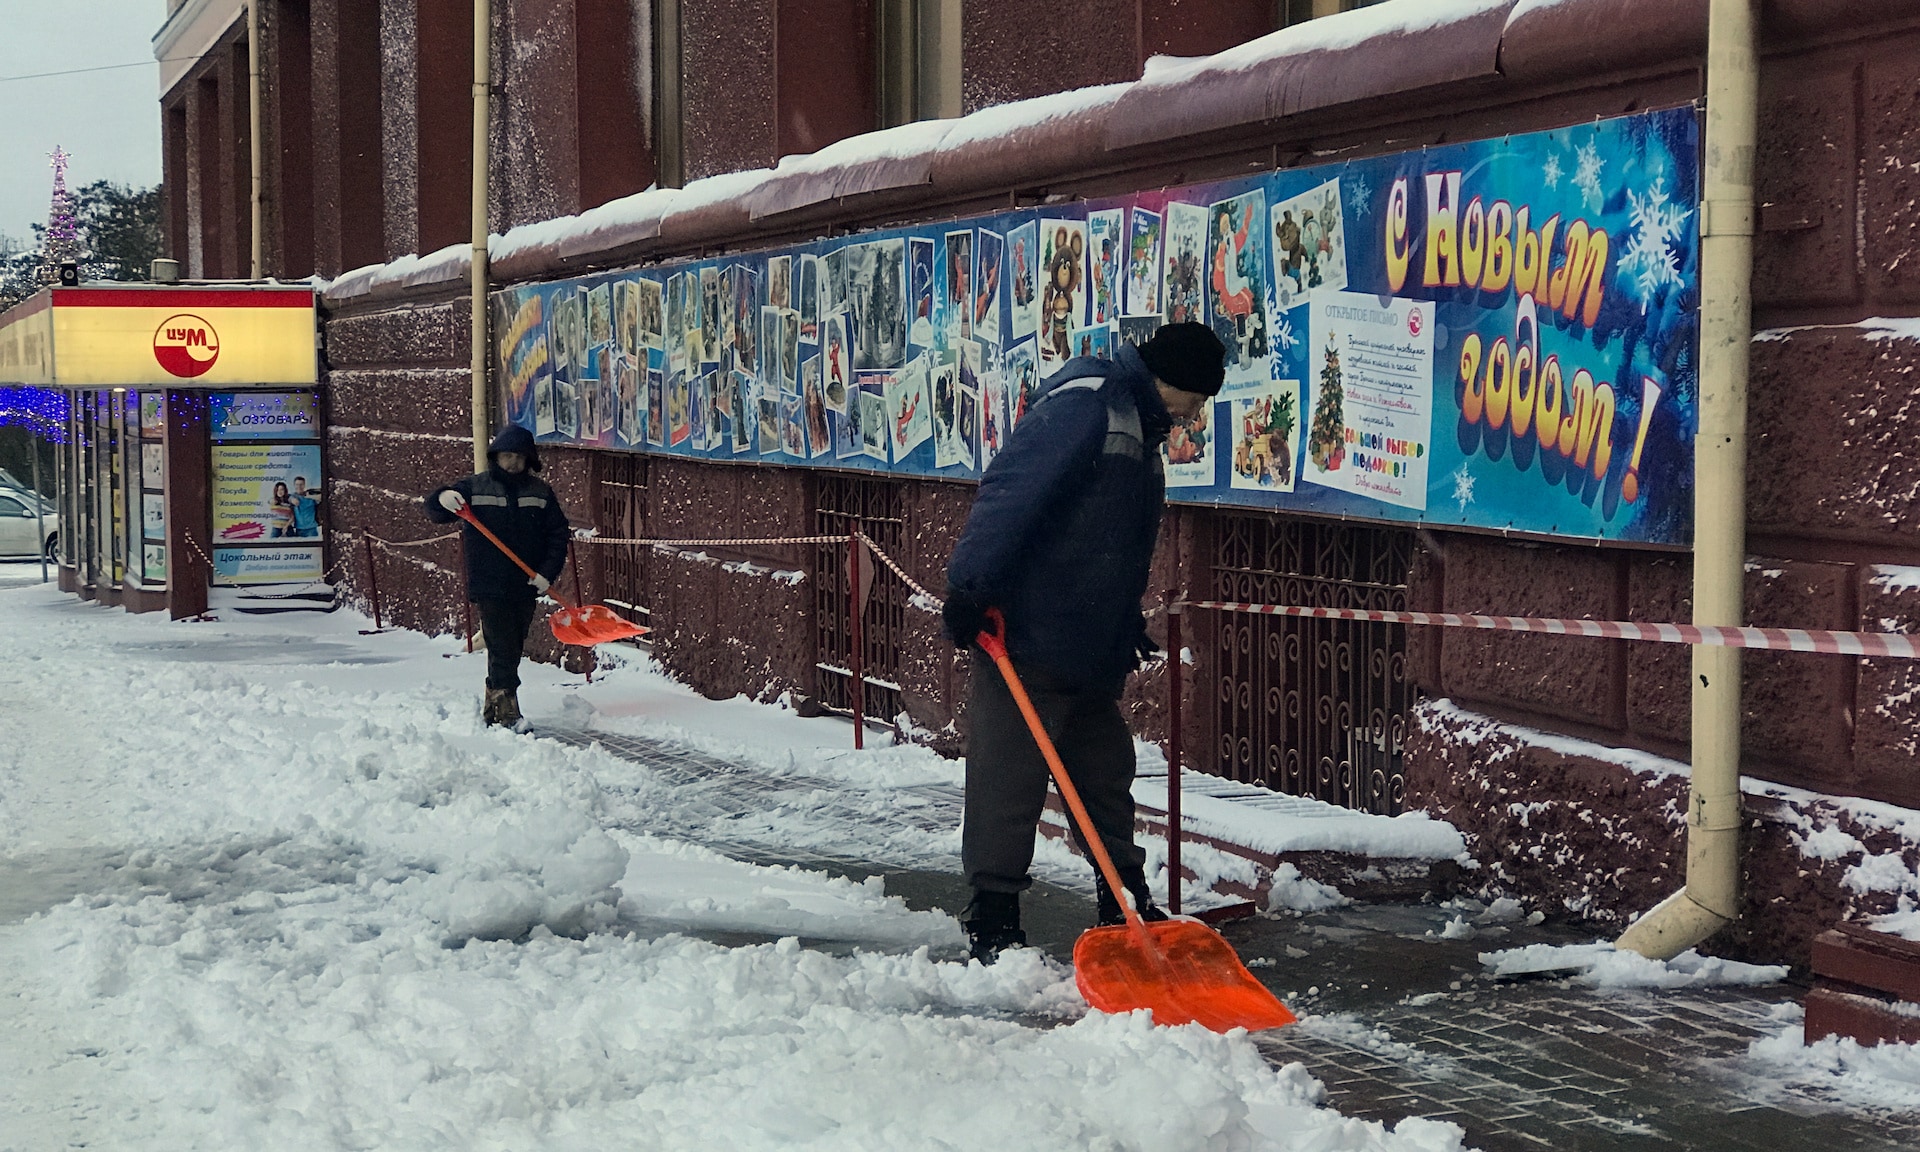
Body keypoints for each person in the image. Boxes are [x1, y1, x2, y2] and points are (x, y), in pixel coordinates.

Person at [942, 321, 1227, 963]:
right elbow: (1012, 493)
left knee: (1104, 770)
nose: (1194, 414)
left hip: (1089, 642)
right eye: (1195, 399)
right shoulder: (1089, 406)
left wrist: (1121, 625)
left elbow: (1110, 541)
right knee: (1007, 778)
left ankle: (1124, 900)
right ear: (1170, 380)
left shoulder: (1139, 424)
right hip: (1026, 632)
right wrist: (970, 588)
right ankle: (993, 916)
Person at [424, 425, 571, 728]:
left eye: (519, 457)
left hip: (526, 584)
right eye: (507, 456)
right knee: (502, 643)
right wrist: (442, 497)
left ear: (529, 459)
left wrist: (546, 574)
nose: (513, 462)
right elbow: (437, 511)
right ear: (496, 456)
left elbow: (557, 535)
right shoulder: (475, 488)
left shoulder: (540, 493)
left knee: (513, 644)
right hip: (489, 583)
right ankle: (507, 709)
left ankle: (494, 702)